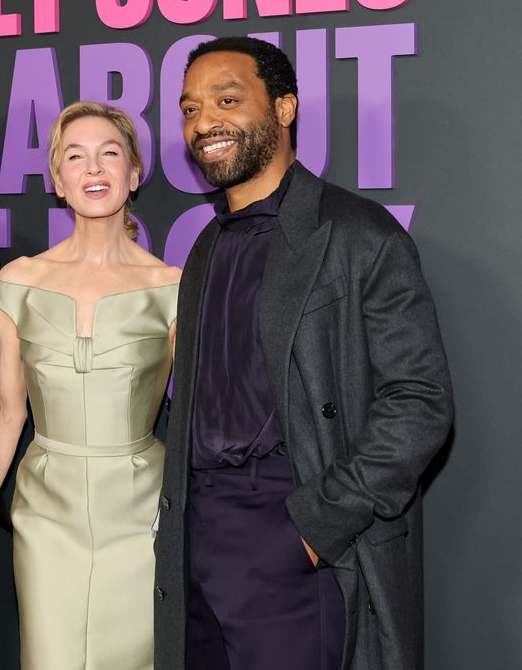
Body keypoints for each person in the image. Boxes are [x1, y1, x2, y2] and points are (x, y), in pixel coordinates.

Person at [153, 36, 453, 670]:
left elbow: (420, 401)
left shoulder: (357, 234)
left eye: (226, 99)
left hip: (292, 528)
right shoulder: (206, 246)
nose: (203, 122)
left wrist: (318, 524)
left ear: (284, 108)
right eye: (188, 108)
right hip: (198, 537)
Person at [0, 101, 182, 669]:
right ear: (57, 179)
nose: (93, 169)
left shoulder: (172, 287)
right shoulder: (18, 282)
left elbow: (199, 416)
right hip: (47, 509)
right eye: (76, 156)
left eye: (109, 154)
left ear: (134, 173)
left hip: (142, 508)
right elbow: (8, 415)